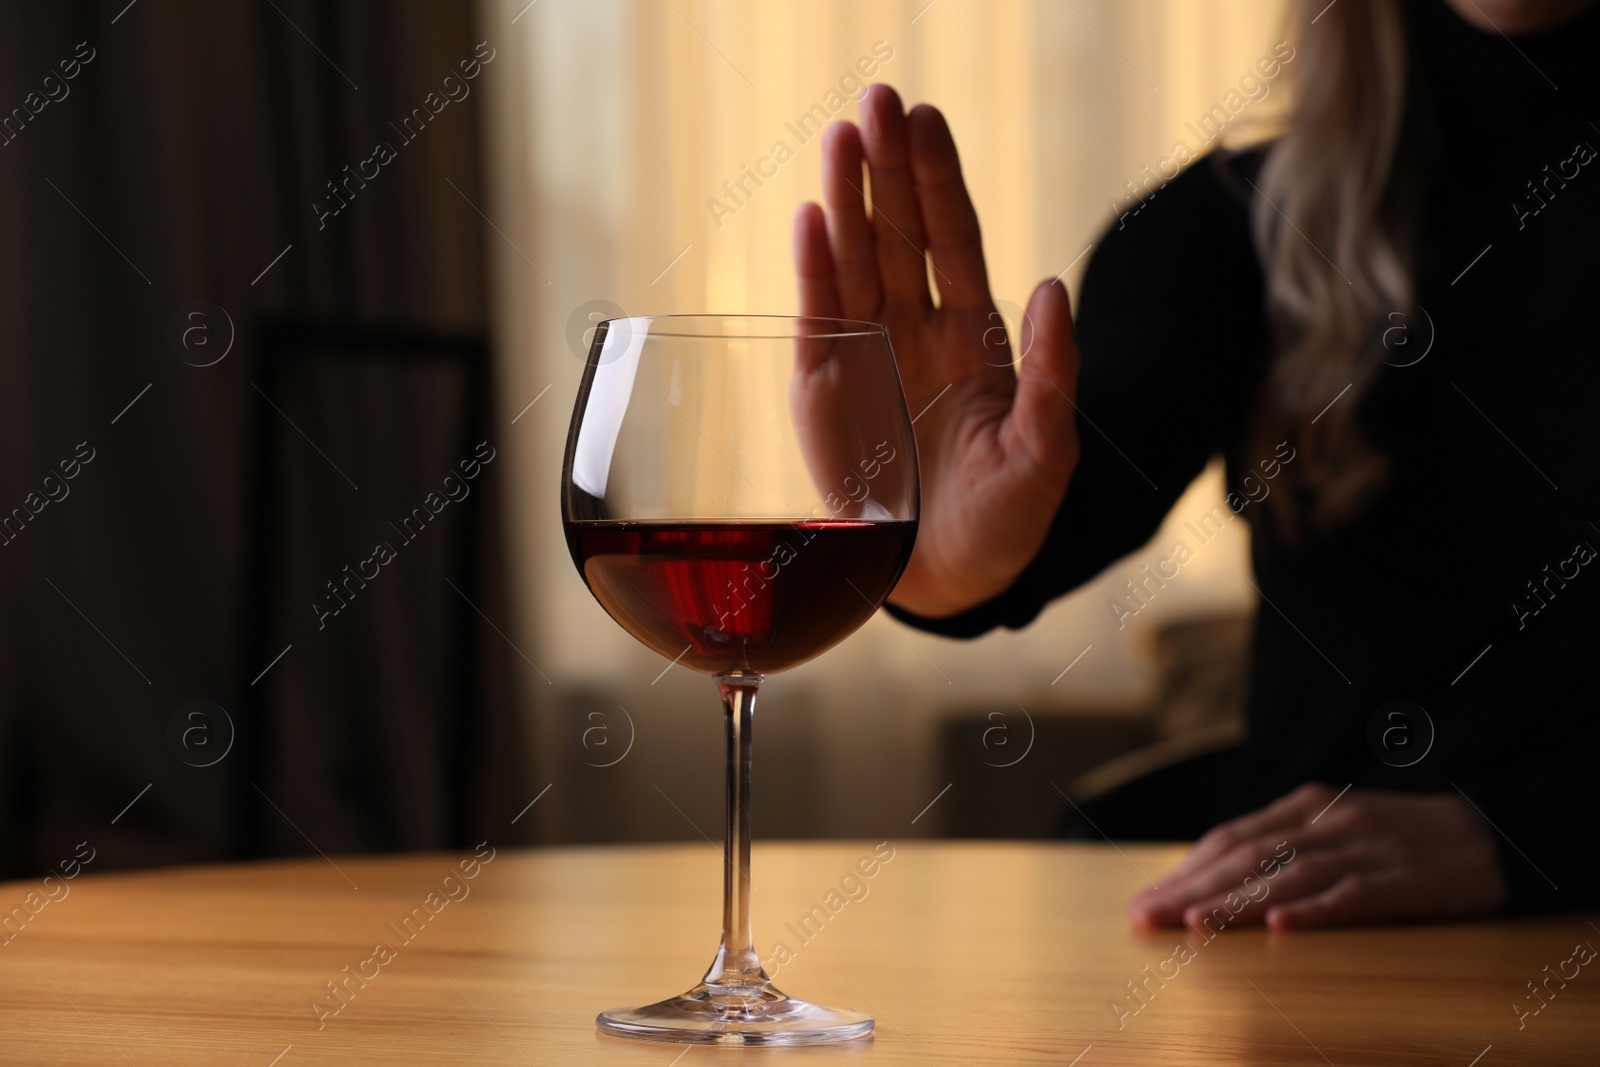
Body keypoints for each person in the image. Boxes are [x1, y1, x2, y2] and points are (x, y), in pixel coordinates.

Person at [793, 0, 1600, 930]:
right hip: (1303, 966)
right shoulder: (1221, 231)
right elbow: (1082, 472)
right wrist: (939, 555)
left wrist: (1533, 832)